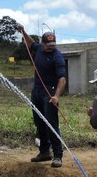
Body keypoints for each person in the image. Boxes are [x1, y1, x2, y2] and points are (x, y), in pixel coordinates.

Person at [18, 25, 67, 168]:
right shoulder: (39, 48)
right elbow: (30, 43)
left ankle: (58, 155)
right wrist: (23, 31)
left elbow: (62, 79)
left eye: (53, 45)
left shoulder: (57, 57)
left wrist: (56, 96)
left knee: (52, 124)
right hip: (37, 92)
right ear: (43, 44)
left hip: (50, 92)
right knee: (39, 122)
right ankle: (45, 152)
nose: (51, 47)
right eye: (48, 45)